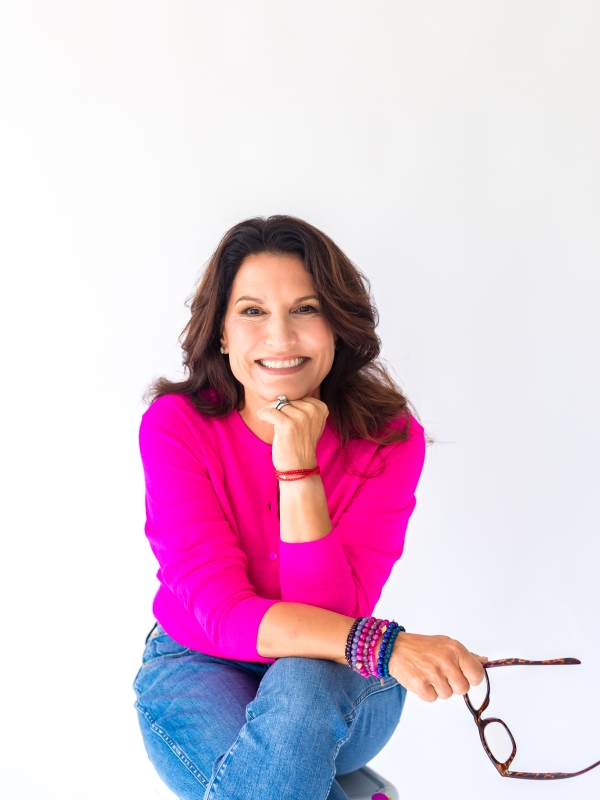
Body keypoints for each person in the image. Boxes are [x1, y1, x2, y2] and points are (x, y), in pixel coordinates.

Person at [133, 215, 486, 800]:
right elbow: (221, 613)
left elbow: (327, 614)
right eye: (252, 311)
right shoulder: (177, 427)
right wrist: (386, 645)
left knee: (300, 686)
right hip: (199, 660)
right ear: (221, 332)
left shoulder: (388, 438)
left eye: (305, 309)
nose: (280, 337)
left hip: (337, 671)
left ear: (337, 327)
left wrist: (298, 470)